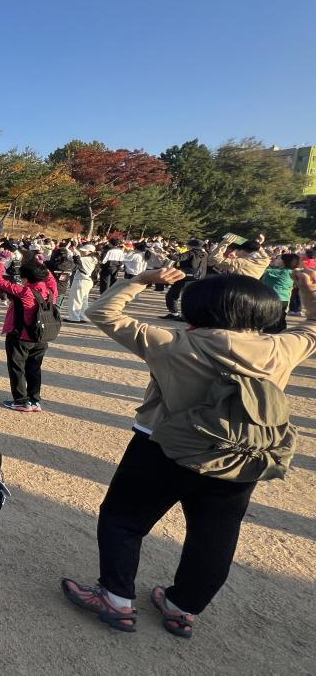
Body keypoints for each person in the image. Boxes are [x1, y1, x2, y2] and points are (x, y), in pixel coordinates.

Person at [62, 266, 316, 638]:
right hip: (240, 454)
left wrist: (141, 281)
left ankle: (116, 599)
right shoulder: (283, 348)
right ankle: (183, 607)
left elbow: (102, 312)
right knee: (215, 534)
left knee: (124, 520)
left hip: (162, 446)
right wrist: (307, 290)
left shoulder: (172, 342)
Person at [0, 259, 58, 412]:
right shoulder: (51, 291)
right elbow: (52, 279)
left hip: (20, 336)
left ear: (26, 279)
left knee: (17, 368)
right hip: (41, 337)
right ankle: (35, 400)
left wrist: (1, 263)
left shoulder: (25, 292)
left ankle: (21, 401)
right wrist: (42, 265)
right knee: (34, 369)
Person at [163, 239, 207, 320]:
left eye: (188, 245)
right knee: (189, 297)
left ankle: (175, 314)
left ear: (192, 246)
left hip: (185, 277)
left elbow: (178, 258)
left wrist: (168, 254)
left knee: (172, 295)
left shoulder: (190, 253)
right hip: (198, 278)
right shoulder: (204, 255)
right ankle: (188, 316)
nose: (187, 246)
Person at [64, 244, 98, 323]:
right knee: (83, 300)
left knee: (75, 299)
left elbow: (72, 259)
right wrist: (74, 250)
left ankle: (74, 317)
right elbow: (78, 257)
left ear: (90, 252)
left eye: (84, 251)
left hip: (81, 280)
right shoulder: (94, 259)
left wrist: (71, 250)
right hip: (88, 280)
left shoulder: (85, 259)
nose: (82, 252)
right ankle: (83, 316)